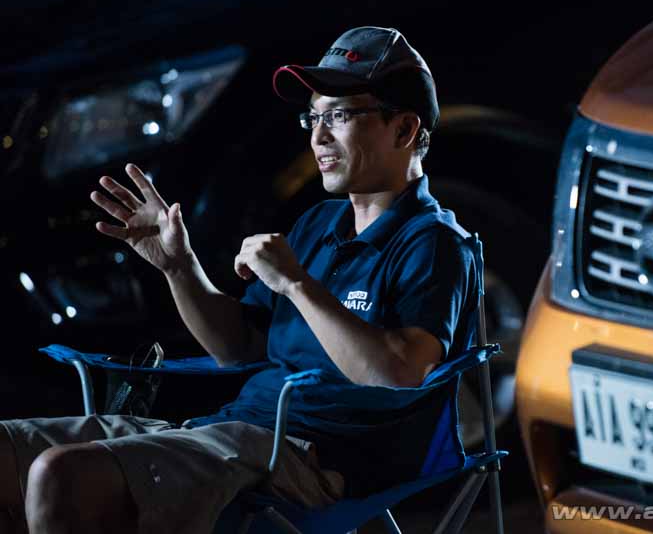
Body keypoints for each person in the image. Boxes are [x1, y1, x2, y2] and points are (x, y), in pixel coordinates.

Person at [0, 27, 479, 534]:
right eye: (313, 117)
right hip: (228, 431)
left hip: (308, 456)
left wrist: (296, 284)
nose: (317, 137)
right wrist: (178, 267)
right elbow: (238, 347)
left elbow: (399, 375)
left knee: (61, 475)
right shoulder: (318, 224)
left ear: (404, 130)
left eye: (338, 116)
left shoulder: (433, 243)